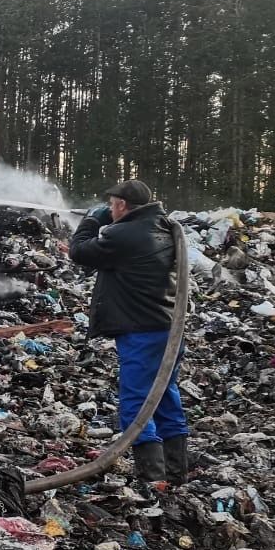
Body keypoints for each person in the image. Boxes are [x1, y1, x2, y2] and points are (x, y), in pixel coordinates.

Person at [68, 179, 188, 486]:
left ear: (122, 205)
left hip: (141, 331)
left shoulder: (126, 235)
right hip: (166, 329)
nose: (109, 208)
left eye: (112, 204)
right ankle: (176, 473)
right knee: (164, 397)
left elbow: (79, 252)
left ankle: (152, 477)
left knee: (136, 403)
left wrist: (92, 220)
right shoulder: (160, 226)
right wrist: (110, 219)